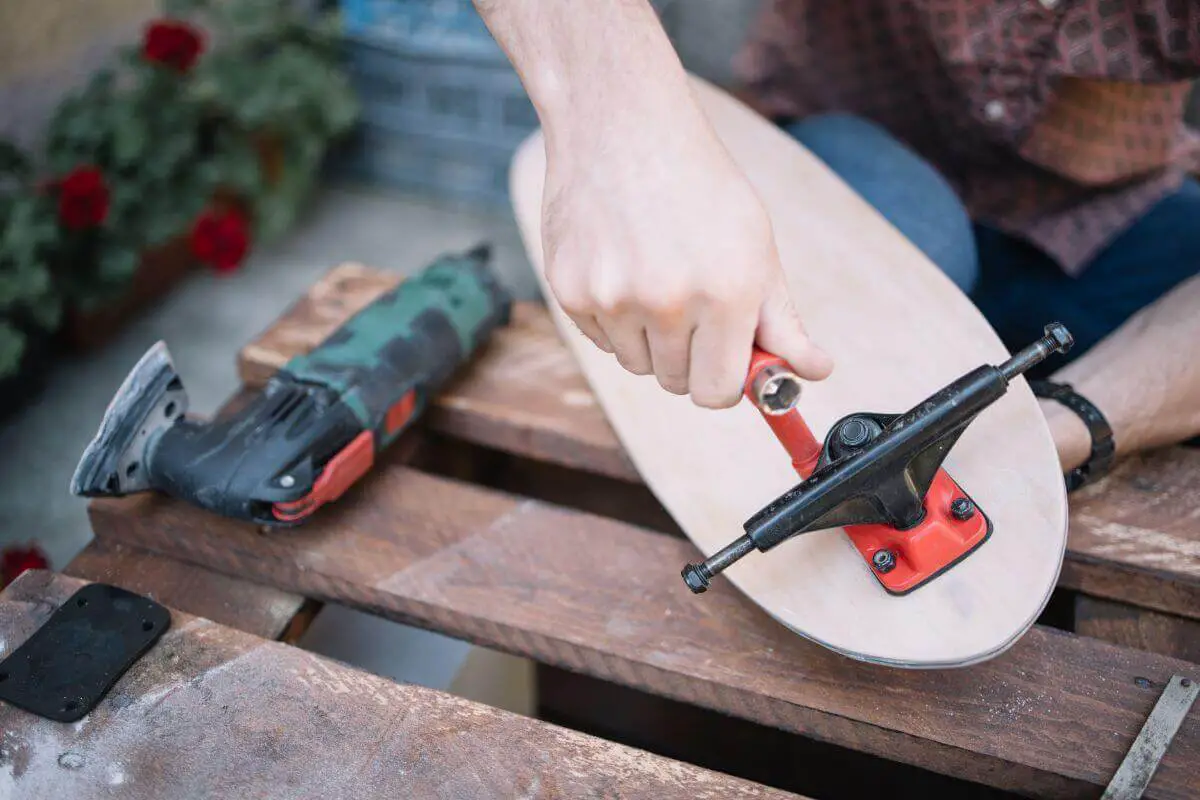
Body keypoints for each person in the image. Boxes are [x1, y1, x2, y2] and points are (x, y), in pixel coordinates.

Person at [472, 0, 1200, 491]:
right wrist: (622, 133)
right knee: (917, 240)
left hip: (1109, 218)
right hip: (850, 177)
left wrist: (1061, 429)